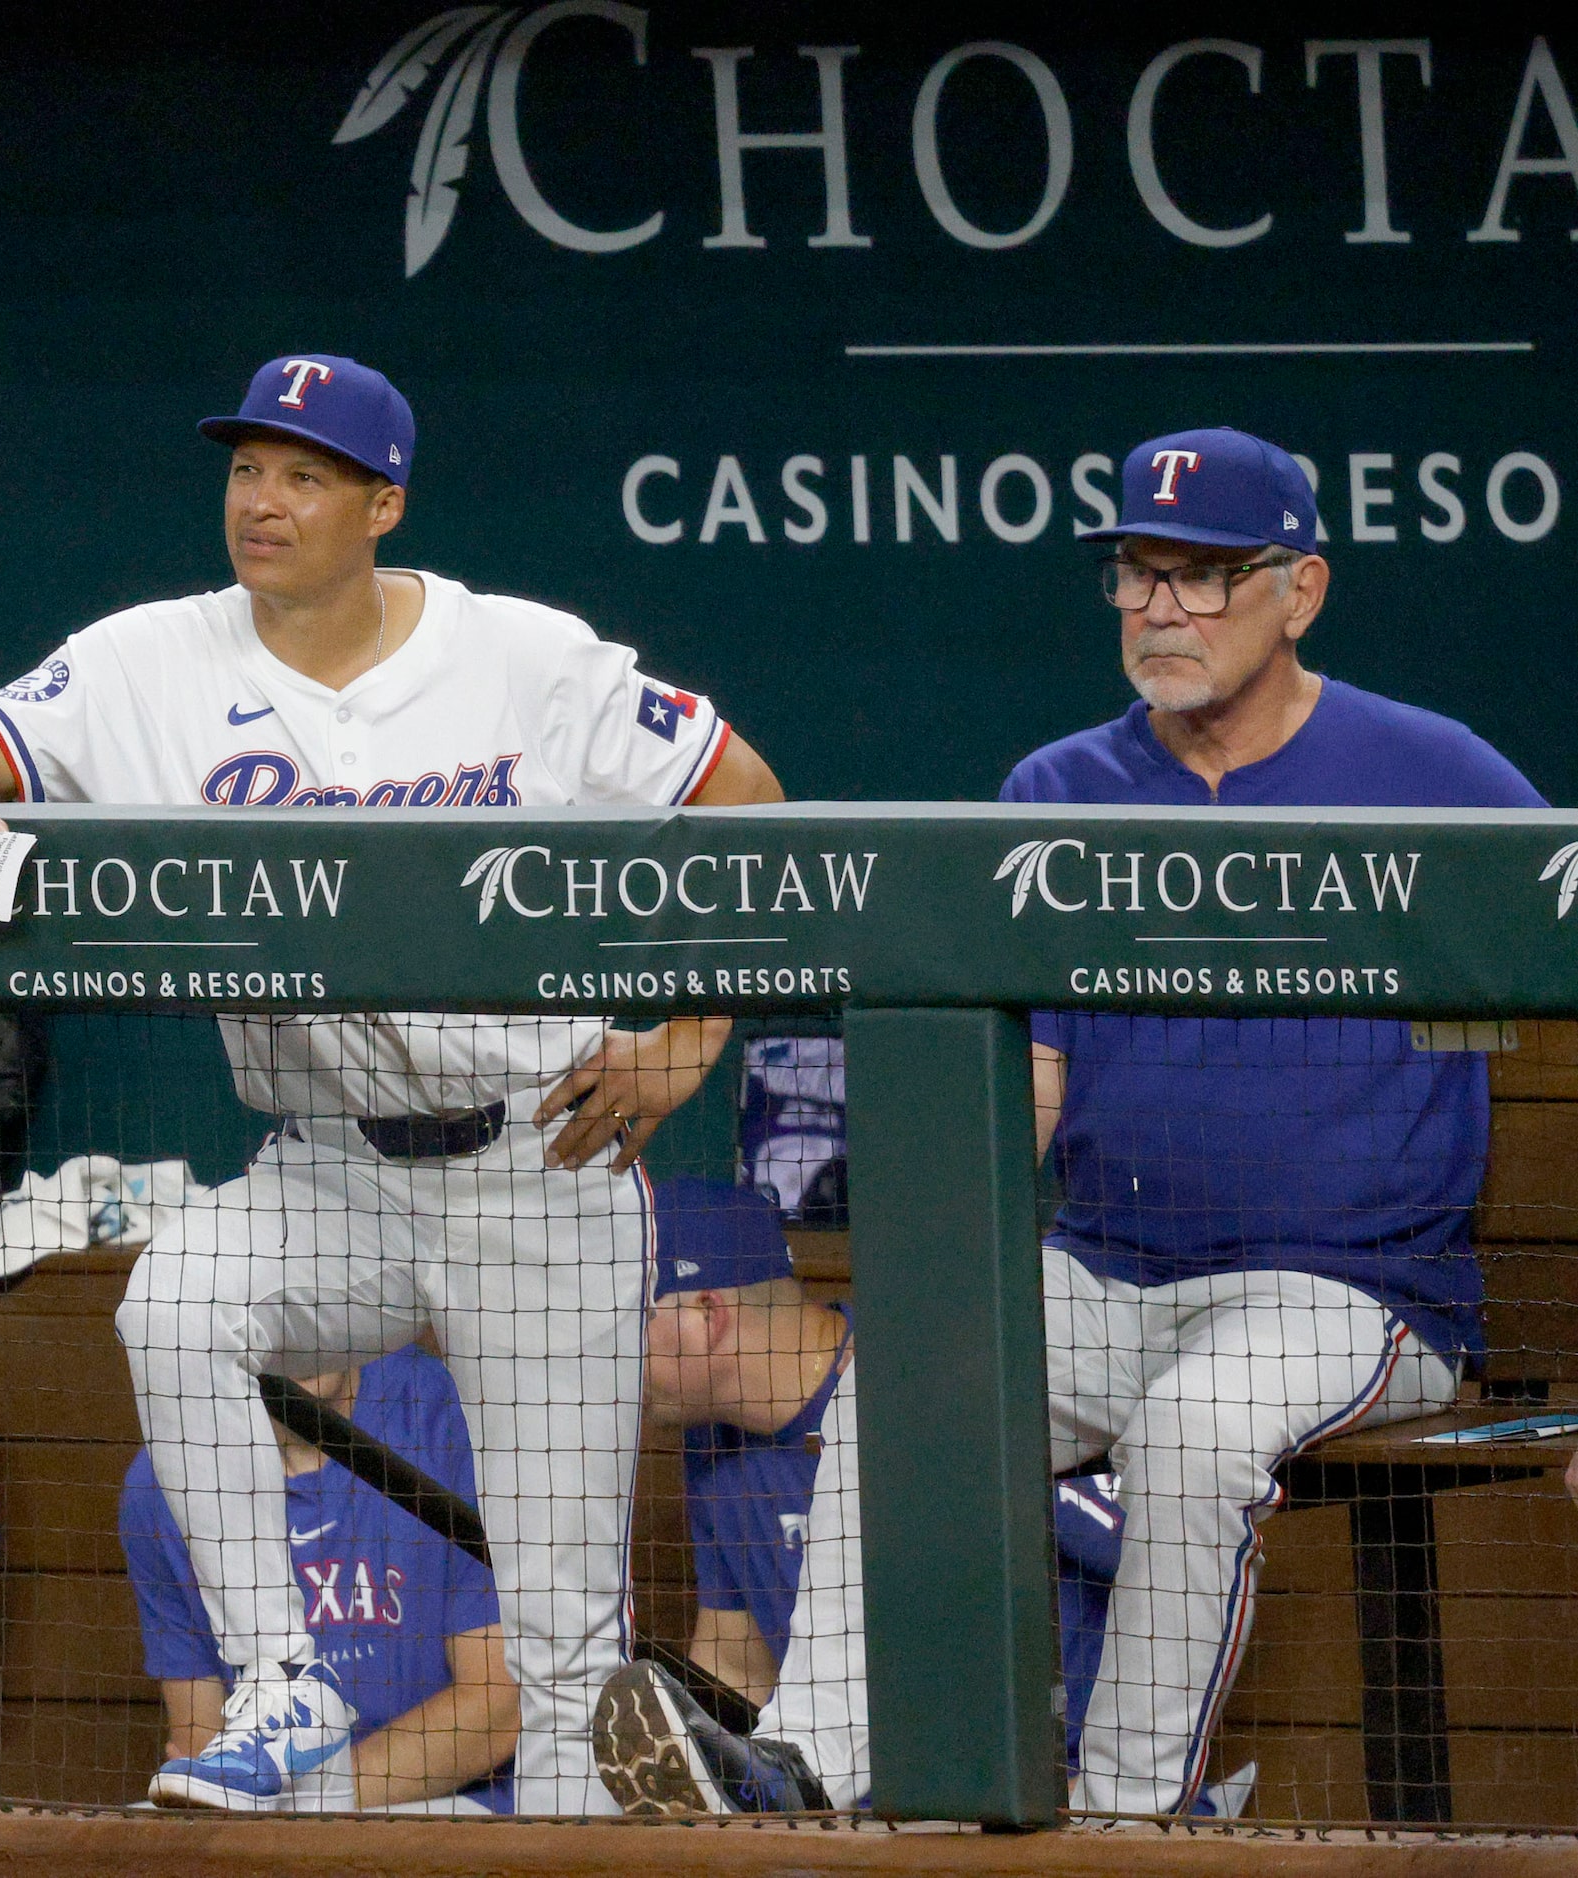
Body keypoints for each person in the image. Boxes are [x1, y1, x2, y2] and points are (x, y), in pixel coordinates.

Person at [0, 353, 784, 1813]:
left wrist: (686, 1036)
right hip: (332, 1159)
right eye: (245, 468)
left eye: (303, 475)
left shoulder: (524, 657)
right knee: (172, 1300)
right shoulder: (146, 660)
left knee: (561, 1644)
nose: (263, 500)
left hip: (534, 1160)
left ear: (383, 502)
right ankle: (281, 1680)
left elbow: (752, 807)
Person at [622, 428, 1544, 1821]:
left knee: (1191, 1431)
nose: (1159, 605)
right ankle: (810, 1761)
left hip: (1352, 1293)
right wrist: (945, 1272)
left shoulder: (1435, 773)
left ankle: (1124, 1818)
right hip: (1111, 1269)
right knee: (908, 1377)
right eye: (1135, 572)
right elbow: (1031, 1077)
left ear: (1300, 590)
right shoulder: (1060, 790)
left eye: (1204, 575)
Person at [601, 1181, 1190, 1810]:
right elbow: (737, 1667)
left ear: (707, 1315)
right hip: (861, 1810)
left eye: (620, 1323)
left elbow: (1165, 1567)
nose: (601, 1355)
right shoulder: (714, 1448)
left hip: (1047, 1794)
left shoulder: (942, 1383)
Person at [120, 1344, 518, 1814]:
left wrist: (306, 1802)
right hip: (267, 1810)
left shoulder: (437, 1408)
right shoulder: (167, 1477)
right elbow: (201, 1739)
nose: (298, 1333)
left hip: (448, 1803)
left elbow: (495, 1709)